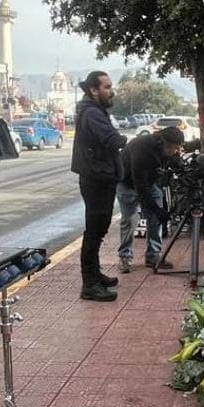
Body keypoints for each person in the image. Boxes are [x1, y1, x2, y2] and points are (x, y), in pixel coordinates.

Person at [71, 70, 128, 302]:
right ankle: (90, 284)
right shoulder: (92, 113)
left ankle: (95, 276)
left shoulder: (94, 110)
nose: (110, 91)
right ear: (93, 89)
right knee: (94, 231)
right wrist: (125, 140)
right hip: (96, 179)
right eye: (106, 87)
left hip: (100, 177)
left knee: (99, 229)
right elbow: (111, 139)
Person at [116, 127, 184, 273]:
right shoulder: (141, 150)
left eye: (178, 148)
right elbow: (141, 188)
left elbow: (169, 164)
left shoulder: (165, 148)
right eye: (174, 148)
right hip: (127, 182)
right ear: (164, 144)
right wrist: (157, 209)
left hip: (148, 182)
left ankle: (153, 256)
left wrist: (176, 164)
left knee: (155, 220)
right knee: (130, 220)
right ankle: (124, 257)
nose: (176, 151)